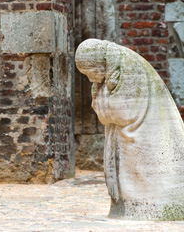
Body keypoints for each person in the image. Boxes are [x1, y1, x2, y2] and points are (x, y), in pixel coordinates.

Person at [76, 39, 184, 220]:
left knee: (149, 174)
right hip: (123, 136)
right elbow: (106, 113)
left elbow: (126, 113)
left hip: (145, 135)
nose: (90, 79)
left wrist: (102, 104)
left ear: (98, 62)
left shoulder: (129, 68)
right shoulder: (111, 70)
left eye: (90, 72)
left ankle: (156, 209)